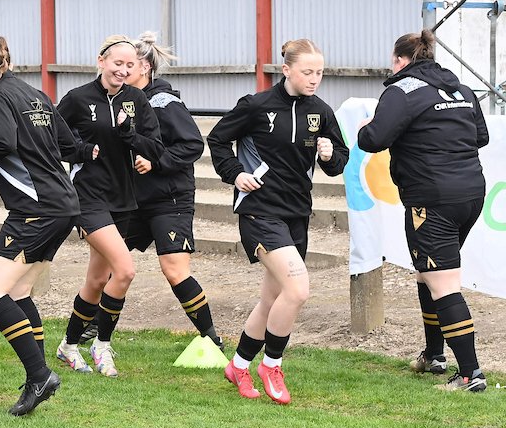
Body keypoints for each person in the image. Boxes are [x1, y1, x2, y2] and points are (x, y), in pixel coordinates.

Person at [208, 39, 348, 404]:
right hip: (259, 211)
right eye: (307, 72)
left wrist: (330, 155)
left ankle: (238, 365)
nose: (314, 79)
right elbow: (218, 140)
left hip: (297, 214)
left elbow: (339, 160)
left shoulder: (321, 111)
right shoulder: (256, 106)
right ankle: (271, 365)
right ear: (286, 70)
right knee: (298, 290)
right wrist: (236, 173)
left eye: (319, 73)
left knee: (273, 299)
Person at [0, 36, 89, 416]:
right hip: (63, 204)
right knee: (18, 291)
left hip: (35, 209)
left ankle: (39, 375)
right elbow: (69, 145)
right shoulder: (35, 94)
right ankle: (37, 378)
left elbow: (0, 142)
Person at [357, 29, 489, 392]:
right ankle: (434, 355)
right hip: (471, 194)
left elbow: (373, 139)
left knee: (443, 283)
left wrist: (366, 127)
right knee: (426, 273)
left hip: (432, 198)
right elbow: (481, 137)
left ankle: (470, 375)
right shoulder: (461, 89)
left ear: (400, 60)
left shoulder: (401, 90)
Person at [53, 35, 164, 378]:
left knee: (98, 278)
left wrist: (131, 137)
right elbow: (51, 140)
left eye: (130, 65)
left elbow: (155, 147)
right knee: (125, 271)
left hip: (124, 198)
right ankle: (101, 344)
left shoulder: (136, 100)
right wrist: (82, 151)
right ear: (101, 62)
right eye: (118, 63)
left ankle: (68, 345)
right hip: (88, 197)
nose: (123, 70)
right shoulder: (77, 99)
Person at [124, 33, 222, 348]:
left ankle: (211, 339)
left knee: (174, 270)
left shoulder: (164, 102)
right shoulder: (122, 102)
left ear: (145, 67)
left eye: (129, 64)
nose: (122, 69)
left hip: (170, 199)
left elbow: (192, 144)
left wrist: (156, 162)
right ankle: (92, 330)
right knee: (111, 262)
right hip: (133, 200)